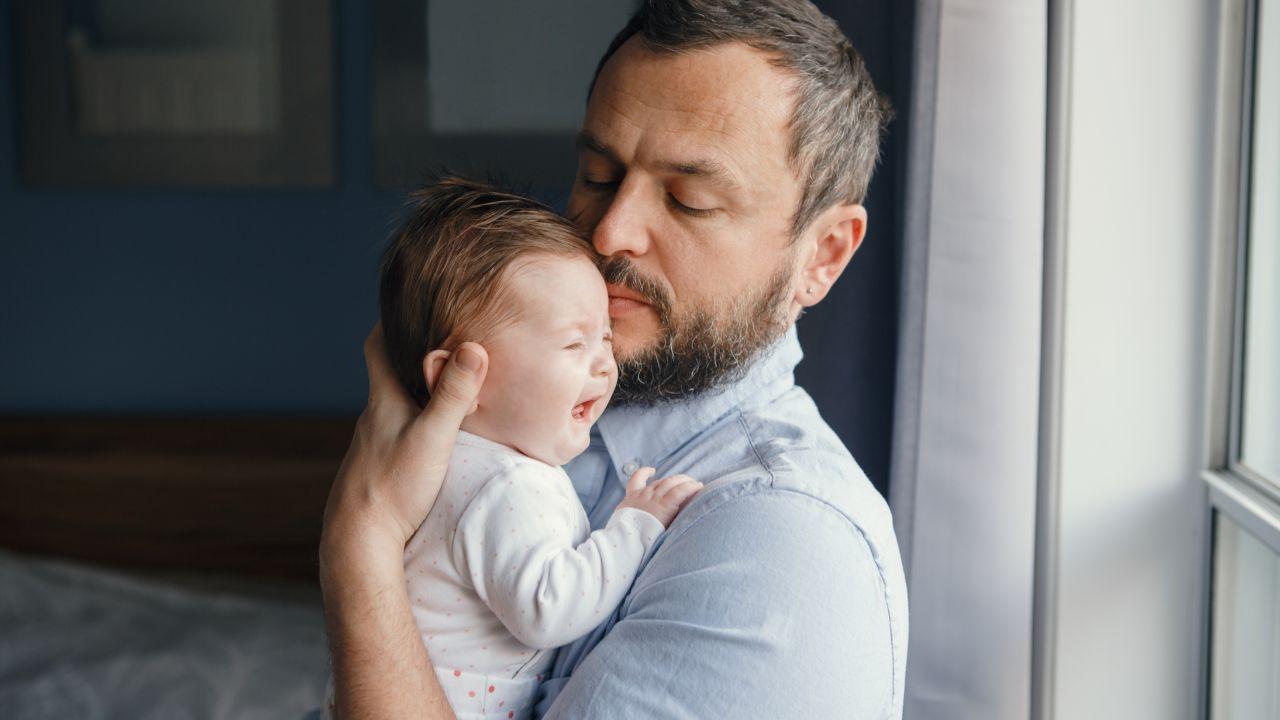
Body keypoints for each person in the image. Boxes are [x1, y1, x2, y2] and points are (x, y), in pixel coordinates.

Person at [320, 1, 908, 717]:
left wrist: (361, 542)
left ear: (823, 256)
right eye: (598, 176)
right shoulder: (517, 414)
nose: (608, 234)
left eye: (688, 201)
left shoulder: (784, 550)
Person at [320, 178, 702, 720]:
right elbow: (549, 608)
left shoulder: (431, 467)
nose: (602, 364)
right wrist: (633, 529)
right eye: (574, 343)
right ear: (461, 378)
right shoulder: (508, 484)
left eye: (605, 340)